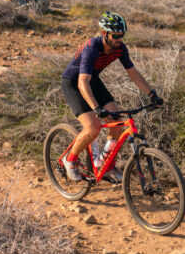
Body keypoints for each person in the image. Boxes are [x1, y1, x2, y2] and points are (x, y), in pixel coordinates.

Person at [61, 11, 162, 182]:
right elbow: (82, 83)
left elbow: (133, 73)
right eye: (115, 35)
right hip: (74, 82)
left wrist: (151, 93)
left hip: (93, 81)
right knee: (93, 128)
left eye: (122, 35)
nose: (119, 39)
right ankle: (69, 159)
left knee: (116, 121)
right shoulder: (92, 48)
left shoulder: (120, 49)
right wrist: (95, 108)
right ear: (104, 34)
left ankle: (106, 165)